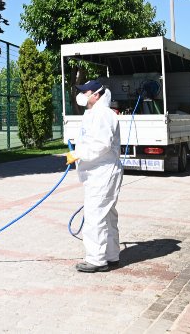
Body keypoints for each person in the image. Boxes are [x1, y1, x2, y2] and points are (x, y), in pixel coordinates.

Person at [66, 79, 123, 273]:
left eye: (86, 91)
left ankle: (96, 260)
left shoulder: (103, 115)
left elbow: (102, 144)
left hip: (103, 172)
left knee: (94, 216)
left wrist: (78, 154)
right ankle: (111, 255)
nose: (82, 95)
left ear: (96, 95)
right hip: (96, 172)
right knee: (106, 215)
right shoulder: (92, 114)